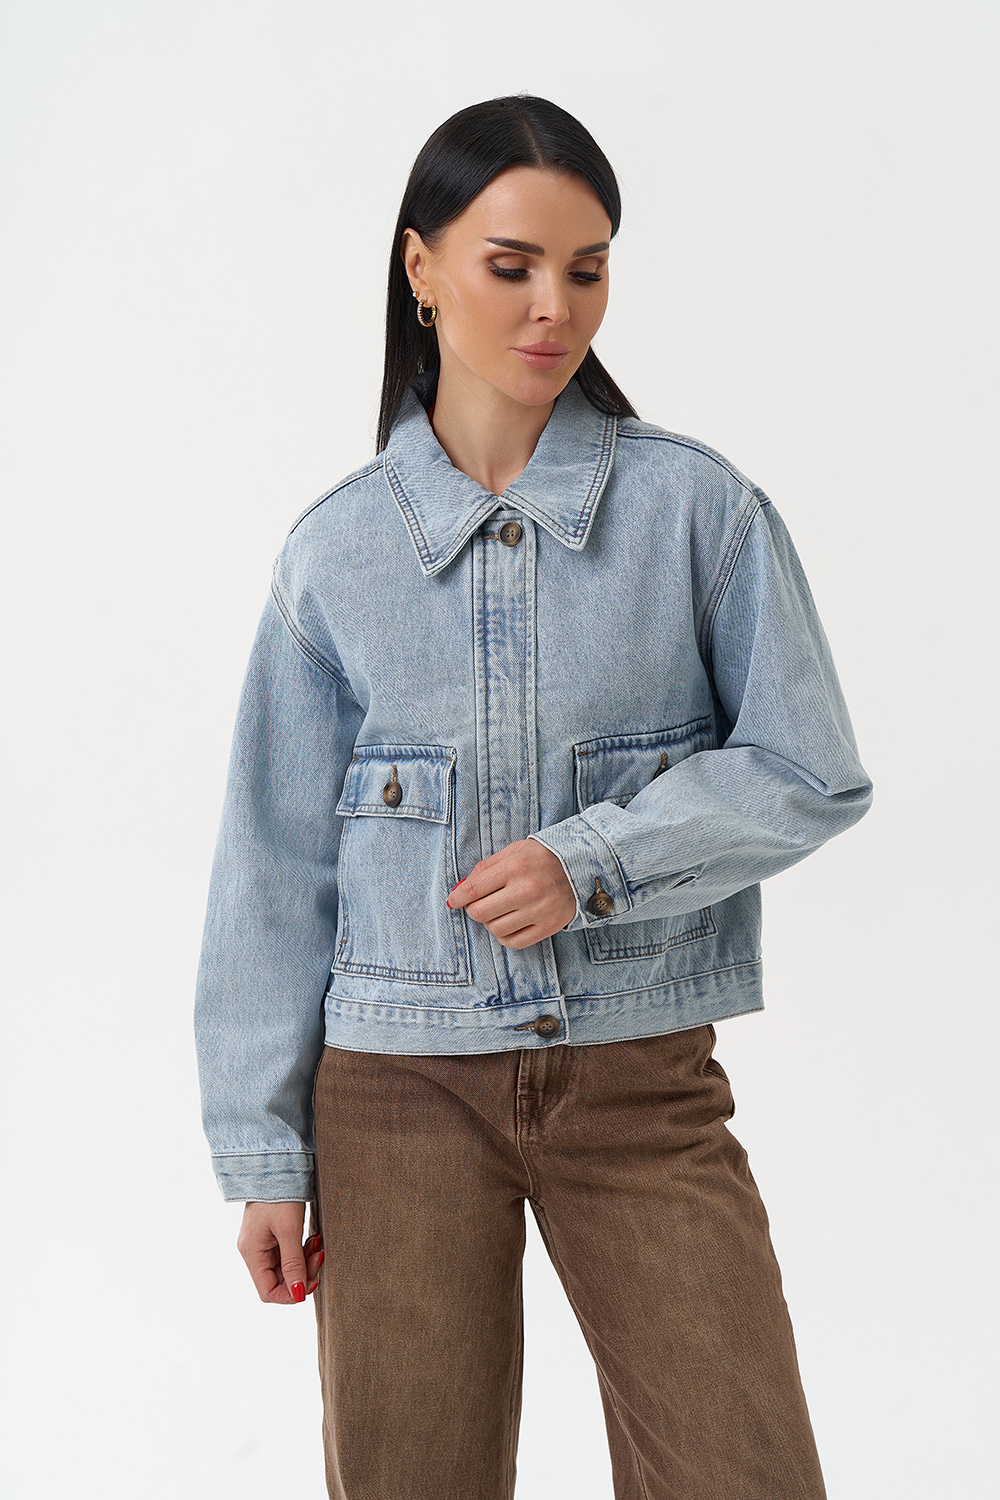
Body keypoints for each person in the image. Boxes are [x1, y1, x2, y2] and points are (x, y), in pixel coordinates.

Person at [194, 94, 873, 1499]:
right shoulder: (335, 557)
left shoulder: (700, 515)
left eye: (588, 266)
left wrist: (597, 858)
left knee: (742, 1471)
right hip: (391, 1100)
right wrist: (264, 1151)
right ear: (422, 266)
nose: (555, 306)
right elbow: (271, 868)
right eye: (511, 265)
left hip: (641, 1080)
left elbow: (810, 771)